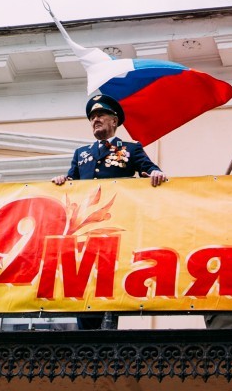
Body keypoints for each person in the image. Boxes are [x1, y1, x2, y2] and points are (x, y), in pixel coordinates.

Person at [51, 94, 167, 329]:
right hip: (85, 228)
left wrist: (155, 174)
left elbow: (150, 169)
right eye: (92, 117)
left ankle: (106, 328)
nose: (95, 120)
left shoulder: (131, 149)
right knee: (83, 279)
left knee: (109, 279)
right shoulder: (81, 153)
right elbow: (72, 180)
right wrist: (63, 179)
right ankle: (86, 331)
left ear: (114, 121)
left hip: (115, 224)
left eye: (100, 115)